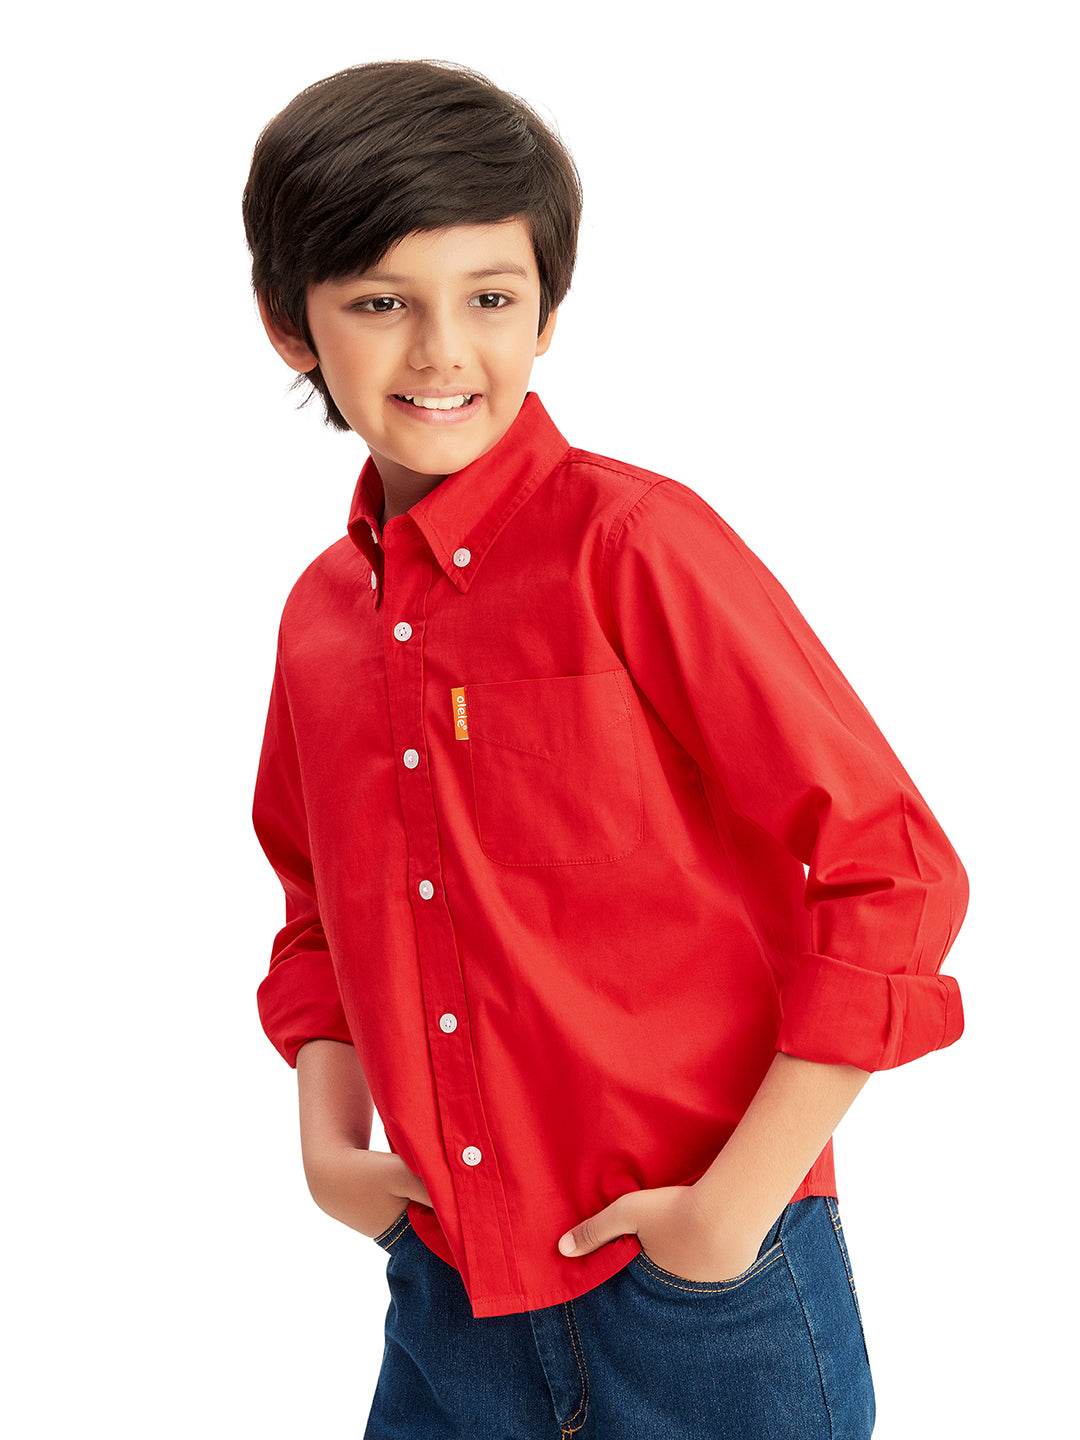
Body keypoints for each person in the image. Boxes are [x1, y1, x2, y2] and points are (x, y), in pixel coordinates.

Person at [243, 60, 967, 1439]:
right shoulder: (323, 618)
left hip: (709, 1300)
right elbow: (318, 905)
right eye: (383, 304)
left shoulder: (635, 547)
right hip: (449, 1294)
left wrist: (728, 1216)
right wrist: (329, 1151)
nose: (442, 353)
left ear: (548, 311)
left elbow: (894, 873)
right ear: (292, 326)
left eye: (490, 298)